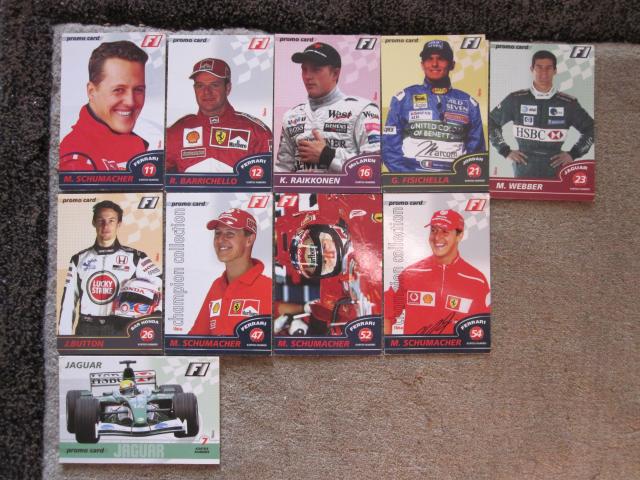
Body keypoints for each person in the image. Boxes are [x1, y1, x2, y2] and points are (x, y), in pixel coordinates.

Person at [274, 194, 382, 336]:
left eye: (324, 246)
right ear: (321, 275)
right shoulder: (331, 294)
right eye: (324, 263)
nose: (330, 255)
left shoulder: (351, 208)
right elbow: (338, 326)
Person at [58, 200, 162, 336]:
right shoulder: (78, 259)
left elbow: (161, 284)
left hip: (121, 327)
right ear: (93, 222)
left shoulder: (136, 257)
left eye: (111, 221)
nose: (105, 225)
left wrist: (153, 315)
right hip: (86, 328)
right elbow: (68, 301)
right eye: (100, 220)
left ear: (119, 224)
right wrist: (64, 336)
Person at [275, 42, 381, 173]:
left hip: (344, 188)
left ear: (335, 73)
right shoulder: (291, 116)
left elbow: (374, 165)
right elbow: (281, 171)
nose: (307, 76)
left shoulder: (363, 110)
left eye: (316, 69)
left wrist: (327, 156)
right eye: (304, 69)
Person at [382, 39, 485, 172]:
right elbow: (389, 148)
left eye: (441, 58)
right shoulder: (403, 98)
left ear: (452, 65)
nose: (434, 64)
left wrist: (460, 179)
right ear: (422, 64)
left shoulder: (469, 103)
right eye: (429, 59)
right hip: (411, 180)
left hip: (455, 181)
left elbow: (476, 153)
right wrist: (408, 178)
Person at [489, 50, 594, 178]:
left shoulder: (568, 103)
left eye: (548, 68)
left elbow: (591, 129)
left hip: (556, 170)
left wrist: (574, 154)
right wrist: (504, 150)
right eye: (539, 67)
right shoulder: (516, 99)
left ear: (555, 71)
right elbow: (491, 121)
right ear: (531, 69)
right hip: (523, 169)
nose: (544, 72)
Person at [384, 209, 490, 335]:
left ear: (459, 236)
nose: (437, 237)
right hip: (415, 347)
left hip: (455, 348)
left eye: (445, 231)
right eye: (433, 230)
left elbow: (483, 327)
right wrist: (389, 343)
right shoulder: (410, 273)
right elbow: (387, 312)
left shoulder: (477, 280)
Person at [166, 58, 272, 173]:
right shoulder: (175, 132)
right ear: (194, 89)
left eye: (214, 85)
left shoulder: (256, 132)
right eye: (200, 86)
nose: (207, 92)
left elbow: (268, 179)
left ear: (228, 88)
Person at [60, 41, 149, 171]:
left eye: (138, 90)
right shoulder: (75, 157)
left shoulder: (137, 144)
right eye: (118, 90)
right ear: (91, 91)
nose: (130, 102)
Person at [189, 208, 271, 335]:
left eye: (229, 234)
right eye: (217, 233)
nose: (220, 240)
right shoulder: (217, 286)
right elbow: (194, 338)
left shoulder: (268, 287)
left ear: (249, 240)